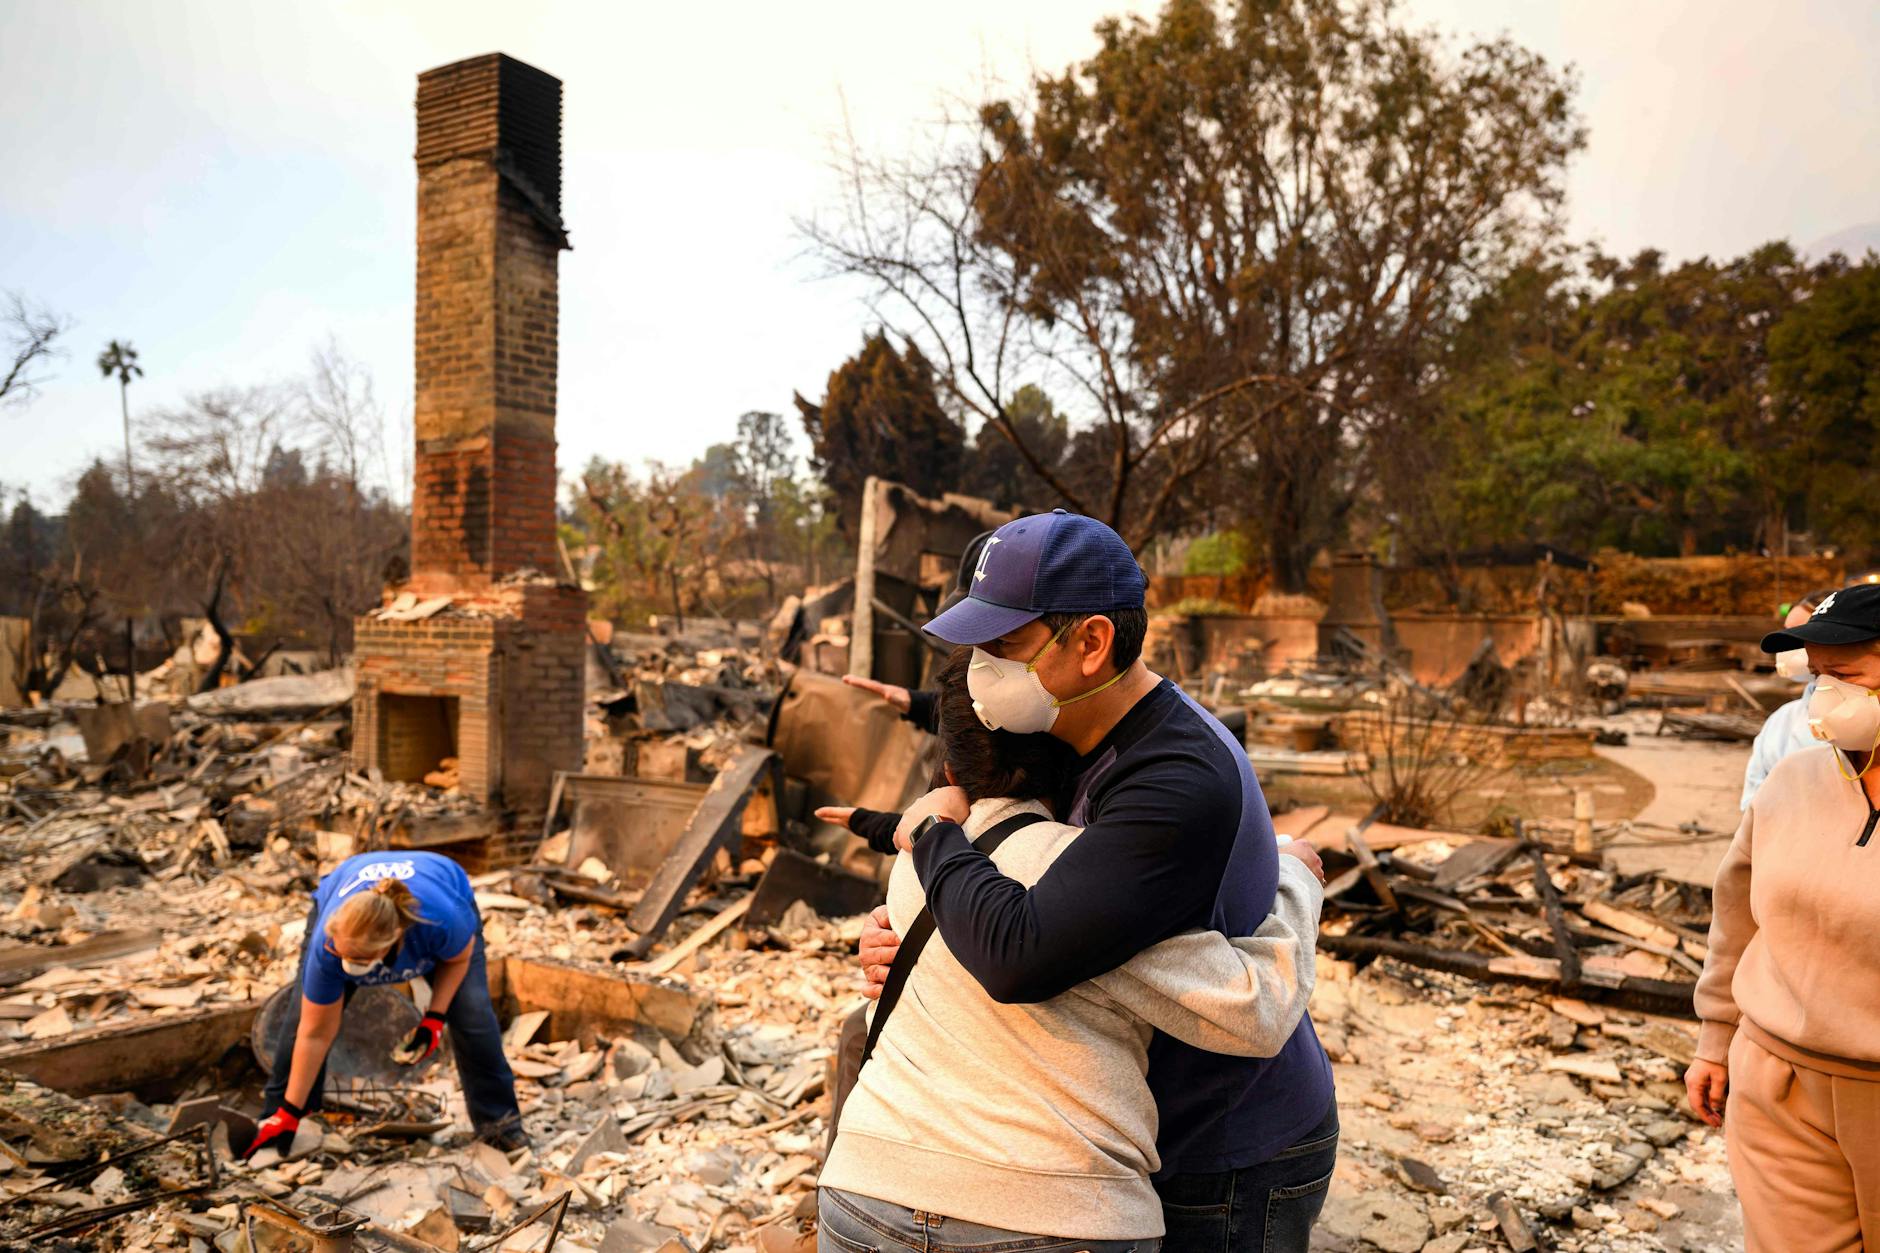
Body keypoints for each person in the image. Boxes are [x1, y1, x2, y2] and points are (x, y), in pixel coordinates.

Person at [856, 509, 1338, 1251]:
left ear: (1091, 642)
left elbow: (1023, 950)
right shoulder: (1064, 727)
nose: (985, 666)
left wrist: (929, 834)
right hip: (1135, 1128)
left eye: (1004, 644)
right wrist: (905, 936)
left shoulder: (1174, 779)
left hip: (1227, 1145)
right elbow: (1022, 882)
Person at [1687, 581, 1880, 1252]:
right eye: (1818, 675)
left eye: (1847, 675)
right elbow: (1736, 914)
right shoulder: (1792, 779)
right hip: (1780, 1090)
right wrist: (1716, 1038)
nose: (1825, 696)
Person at [247, 850, 525, 1159]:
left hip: (440, 889)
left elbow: (458, 959)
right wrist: (289, 1110)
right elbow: (314, 1033)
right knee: (300, 1016)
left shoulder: (442, 921)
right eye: (345, 957)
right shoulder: (328, 945)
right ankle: (285, 1119)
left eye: (360, 960)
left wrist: (434, 1018)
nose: (349, 965)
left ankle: (501, 1126)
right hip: (349, 893)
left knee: (473, 1016)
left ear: (394, 941)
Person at [1739, 587, 1839, 808]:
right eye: (1787, 634)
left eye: (1802, 635)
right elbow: (1753, 808)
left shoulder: (1867, 721)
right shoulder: (1781, 721)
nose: (1789, 648)